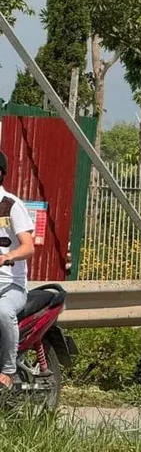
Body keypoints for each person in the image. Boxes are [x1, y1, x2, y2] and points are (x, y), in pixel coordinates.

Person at [0, 152, 35, 390]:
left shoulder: (10, 205)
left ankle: (8, 369)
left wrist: (8, 256)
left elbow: (28, 246)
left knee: (2, 311)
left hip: (10, 285)